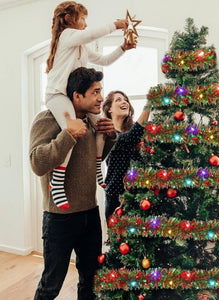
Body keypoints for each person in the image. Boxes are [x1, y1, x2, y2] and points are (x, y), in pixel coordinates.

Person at [30, 67, 117, 300]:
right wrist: (67, 134)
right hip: (60, 218)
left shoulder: (91, 121)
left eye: (101, 91)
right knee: (51, 285)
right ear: (77, 96)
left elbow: (89, 161)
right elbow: (37, 163)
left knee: (90, 279)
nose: (101, 97)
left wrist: (109, 137)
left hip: (90, 213)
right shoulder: (47, 119)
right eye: (95, 92)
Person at [45, 1, 136, 210]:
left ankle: (97, 168)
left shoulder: (81, 47)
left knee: (102, 126)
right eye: (83, 19)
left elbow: (103, 60)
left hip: (72, 96)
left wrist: (123, 48)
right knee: (73, 128)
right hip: (57, 95)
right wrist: (115, 25)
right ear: (69, 19)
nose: (85, 24)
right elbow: (89, 35)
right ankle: (57, 181)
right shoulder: (67, 36)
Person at [102, 91, 151, 220]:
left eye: (126, 100)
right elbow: (128, 139)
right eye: (118, 100)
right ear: (109, 109)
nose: (124, 102)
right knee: (118, 239)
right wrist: (149, 105)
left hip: (140, 197)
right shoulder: (107, 133)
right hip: (116, 199)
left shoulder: (137, 130)